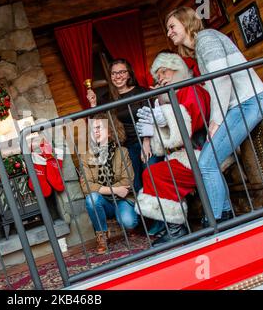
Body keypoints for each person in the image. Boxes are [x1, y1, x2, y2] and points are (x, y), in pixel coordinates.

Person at [165, 7, 263, 226]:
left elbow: (221, 80)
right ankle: (222, 215)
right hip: (240, 106)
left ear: (186, 23)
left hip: (250, 101)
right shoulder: (201, 45)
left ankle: (215, 220)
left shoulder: (207, 40)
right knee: (207, 161)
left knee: (206, 162)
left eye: (172, 26)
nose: (169, 33)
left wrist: (216, 120)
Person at [134, 52, 211, 245]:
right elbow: (168, 143)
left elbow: (190, 126)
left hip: (203, 152)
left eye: (163, 72)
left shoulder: (190, 89)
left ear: (177, 68)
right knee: (153, 172)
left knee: (155, 174)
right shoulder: (177, 93)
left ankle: (177, 230)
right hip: (188, 153)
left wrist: (163, 114)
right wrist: (160, 108)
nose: (160, 78)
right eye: (157, 76)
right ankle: (175, 227)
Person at [86, 59, 163, 195]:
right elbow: (99, 123)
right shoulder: (108, 98)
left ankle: (162, 210)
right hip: (126, 147)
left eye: (122, 72)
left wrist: (146, 143)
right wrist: (93, 105)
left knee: (152, 175)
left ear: (129, 74)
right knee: (136, 184)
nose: (118, 76)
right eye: (114, 73)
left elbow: (150, 117)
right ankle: (145, 214)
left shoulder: (141, 91)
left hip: (149, 140)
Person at [80, 113, 138, 254]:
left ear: (110, 130)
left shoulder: (122, 152)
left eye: (99, 127)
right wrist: (115, 190)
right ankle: (102, 237)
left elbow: (127, 180)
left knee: (129, 222)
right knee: (92, 199)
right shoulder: (86, 156)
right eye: (93, 129)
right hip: (104, 201)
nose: (96, 132)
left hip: (123, 199)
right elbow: (86, 186)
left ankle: (127, 223)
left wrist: (114, 190)